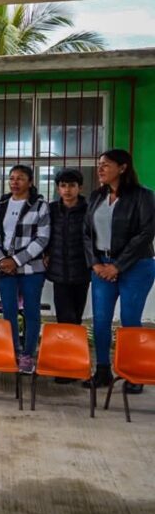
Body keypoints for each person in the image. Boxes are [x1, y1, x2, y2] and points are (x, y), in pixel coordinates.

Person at [83, 149, 155, 392]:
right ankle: (102, 370)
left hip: (137, 266)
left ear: (122, 168)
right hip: (101, 266)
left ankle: (135, 374)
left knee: (129, 319)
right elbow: (87, 234)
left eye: (106, 165)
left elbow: (145, 234)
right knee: (100, 320)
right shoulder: (96, 196)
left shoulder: (143, 196)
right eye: (99, 164)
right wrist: (96, 264)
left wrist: (118, 265)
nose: (100, 169)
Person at [0, 164, 50, 374]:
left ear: (30, 182)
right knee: (8, 311)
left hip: (31, 269)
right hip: (5, 269)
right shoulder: (2, 203)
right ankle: (11, 351)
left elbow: (42, 238)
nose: (15, 182)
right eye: (12, 178)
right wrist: (2, 259)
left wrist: (16, 260)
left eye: (20, 178)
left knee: (31, 312)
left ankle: (28, 355)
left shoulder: (40, 206)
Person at [46, 168, 90, 326]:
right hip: (58, 270)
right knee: (64, 315)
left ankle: (74, 348)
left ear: (80, 188)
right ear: (58, 189)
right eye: (63, 186)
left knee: (76, 314)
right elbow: (44, 235)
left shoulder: (89, 210)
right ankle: (64, 347)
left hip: (82, 269)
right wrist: (45, 253)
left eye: (72, 185)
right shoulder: (51, 210)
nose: (67, 190)